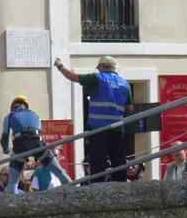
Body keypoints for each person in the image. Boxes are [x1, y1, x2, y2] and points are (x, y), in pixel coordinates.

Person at [54, 55, 133, 183]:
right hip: (117, 130)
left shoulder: (97, 78)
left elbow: (73, 77)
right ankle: (120, 189)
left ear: (101, 67)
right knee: (119, 163)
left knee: (98, 164)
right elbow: (130, 108)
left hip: (98, 130)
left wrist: (60, 66)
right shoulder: (125, 84)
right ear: (114, 68)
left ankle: (98, 191)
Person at [0, 95, 72, 194]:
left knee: (13, 183)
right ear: (25, 106)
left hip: (20, 146)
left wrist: (7, 150)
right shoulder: (35, 115)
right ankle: (74, 193)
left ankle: (14, 205)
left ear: (13, 107)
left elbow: (4, 138)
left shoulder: (9, 116)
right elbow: (39, 133)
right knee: (59, 172)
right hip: (37, 143)